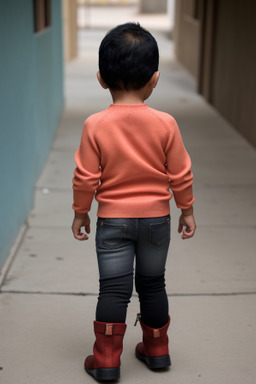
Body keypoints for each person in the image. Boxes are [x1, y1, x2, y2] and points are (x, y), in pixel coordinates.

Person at [72, 22, 196, 382]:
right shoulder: (166, 123)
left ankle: (107, 359)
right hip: (156, 220)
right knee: (153, 283)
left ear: (100, 78)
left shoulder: (95, 125)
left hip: (112, 221)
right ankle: (157, 350)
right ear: (154, 79)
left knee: (114, 288)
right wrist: (186, 209)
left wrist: (81, 213)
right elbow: (181, 173)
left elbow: (85, 177)